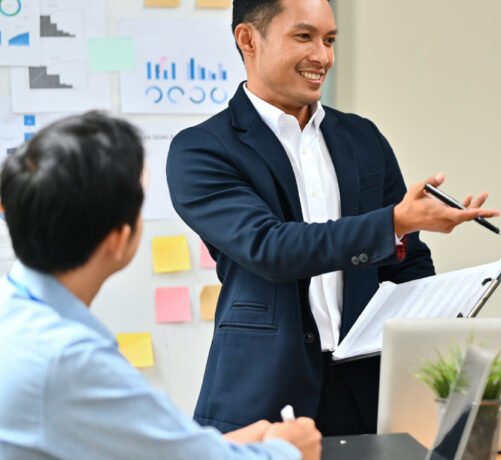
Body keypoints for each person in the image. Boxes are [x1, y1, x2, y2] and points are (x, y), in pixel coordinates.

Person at [167, 0, 499, 436]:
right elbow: (271, 248)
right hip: (261, 399)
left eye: (330, 40)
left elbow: (407, 265)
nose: (322, 57)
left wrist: (444, 311)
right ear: (248, 39)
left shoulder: (362, 138)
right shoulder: (202, 149)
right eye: (304, 37)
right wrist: (393, 223)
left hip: (368, 396)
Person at [0, 112, 322, 459]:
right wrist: (288, 451)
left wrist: (229, 446)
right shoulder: (72, 360)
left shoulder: (18, 316)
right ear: (119, 239)